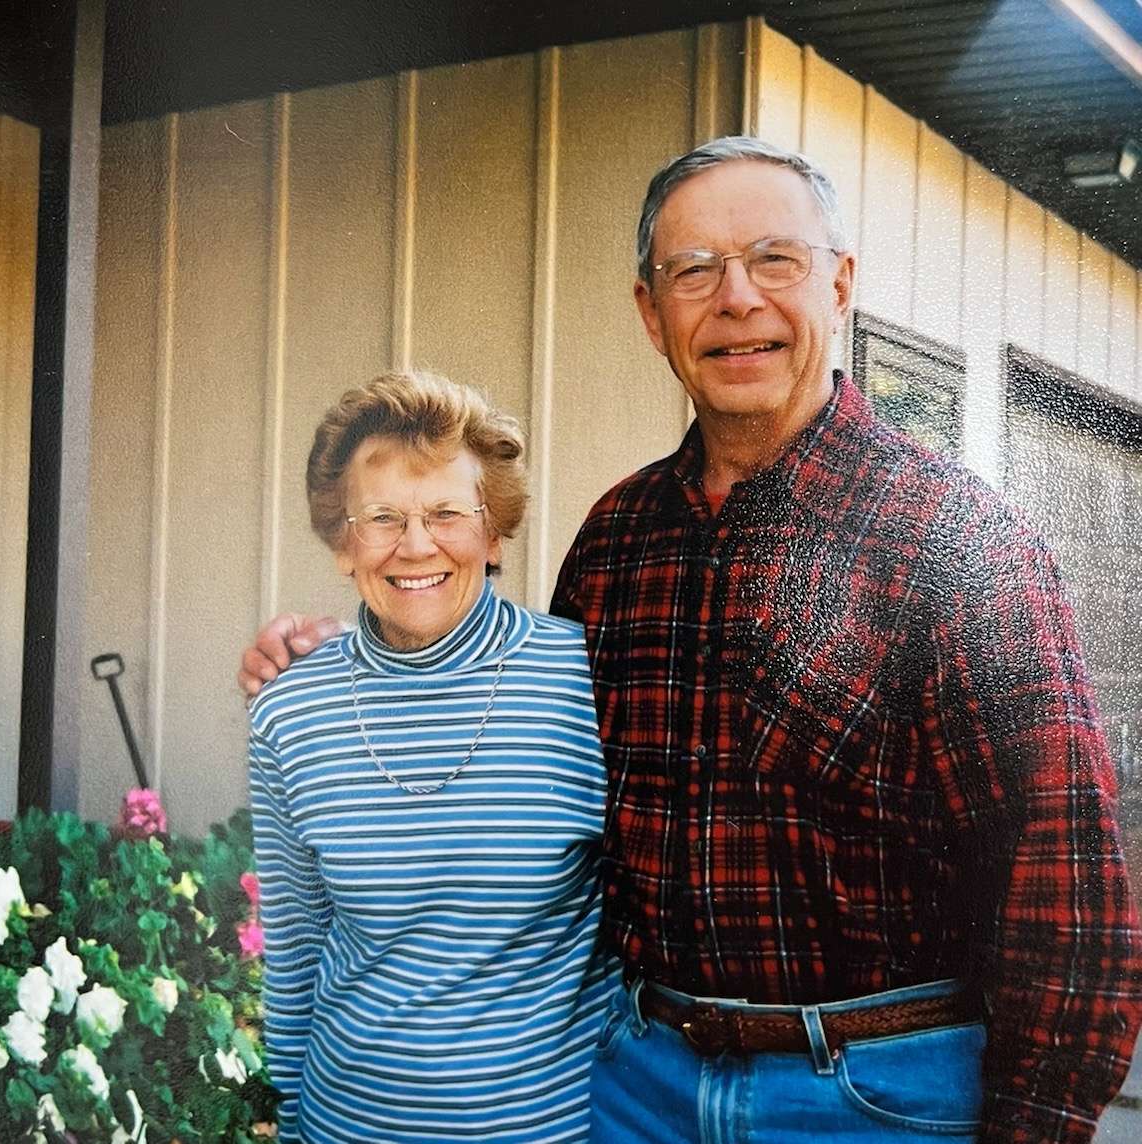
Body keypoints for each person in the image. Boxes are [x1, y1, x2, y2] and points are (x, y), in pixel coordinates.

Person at [240, 137, 1141, 1143]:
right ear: (649, 312)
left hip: (871, 1100)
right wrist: (338, 662)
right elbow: (506, 746)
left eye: (773, 260)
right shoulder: (618, 538)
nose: (735, 298)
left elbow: (1063, 886)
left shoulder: (956, 539)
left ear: (837, 284)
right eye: (693, 270)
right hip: (635, 1085)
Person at [247, 371, 612, 1143]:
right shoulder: (290, 708)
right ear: (343, 545)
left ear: (494, 532)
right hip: (347, 1124)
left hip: (550, 1129)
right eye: (380, 517)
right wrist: (288, 1119)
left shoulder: (585, 681)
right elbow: (296, 947)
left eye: (448, 513)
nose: (416, 545)